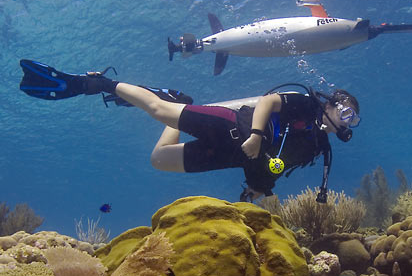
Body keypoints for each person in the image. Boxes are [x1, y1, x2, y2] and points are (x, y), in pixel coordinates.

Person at [19, 59, 360, 202]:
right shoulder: (306, 103)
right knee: (157, 110)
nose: (345, 122)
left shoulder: (319, 148)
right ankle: (93, 83)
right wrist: (256, 136)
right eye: (345, 112)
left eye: (351, 119)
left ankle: (180, 99)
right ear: (330, 104)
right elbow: (268, 101)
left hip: (230, 157)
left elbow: (278, 164)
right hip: (232, 127)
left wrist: (256, 190)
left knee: (158, 159)